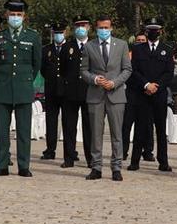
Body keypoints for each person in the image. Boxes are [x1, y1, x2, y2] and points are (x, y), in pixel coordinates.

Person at [0, 0, 41, 177]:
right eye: (12, 14)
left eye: (19, 15)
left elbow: (36, 65)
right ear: (6, 15)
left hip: (23, 89)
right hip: (2, 89)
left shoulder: (33, 37)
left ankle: (23, 166)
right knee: (2, 132)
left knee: (23, 131)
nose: (15, 17)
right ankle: (2, 165)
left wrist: (26, 81)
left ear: (24, 16)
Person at [80, 15, 132, 181]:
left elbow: (127, 69)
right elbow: (83, 71)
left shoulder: (122, 45)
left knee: (117, 133)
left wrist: (115, 82)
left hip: (116, 95)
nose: (103, 30)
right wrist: (95, 79)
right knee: (96, 133)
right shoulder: (89, 46)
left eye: (106, 27)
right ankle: (96, 167)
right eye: (100, 28)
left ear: (111, 28)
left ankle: (116, 168)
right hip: (96, 95)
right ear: (96, 29)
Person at [128, 17, 175, 172]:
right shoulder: (137, 49)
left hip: (159, 94)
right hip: (142, 93)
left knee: (161, 130)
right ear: (146, 31)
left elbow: (169, 73)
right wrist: (146, 84)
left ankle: (163, 162)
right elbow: (134, 71)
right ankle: (135, 161)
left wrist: (157, 85)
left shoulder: (167, 49)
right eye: (150, 29)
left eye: (156, 29)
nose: (153, 32)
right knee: (140, 128)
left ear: (160, 31)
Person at [59, 15, 93, 168]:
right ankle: (69, 157)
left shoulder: (94, 46)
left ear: (89, 27)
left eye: (84, 25)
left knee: (90, 128)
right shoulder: (67, 47)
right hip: (70, 93)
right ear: (74, 28)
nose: (81, 28)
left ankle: (91, 159)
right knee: (69, 126)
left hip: (89, 92)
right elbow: (63, 69)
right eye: (78, 25)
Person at [123, 30, 153, 161]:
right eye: (138, 41)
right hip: (131, 93)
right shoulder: (128, 55)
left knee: (147, 125)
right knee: (126, 124)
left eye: (143, 41)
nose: (140, 43)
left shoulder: (150, 55)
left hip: (146, 93)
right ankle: (123, 151)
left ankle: (147, 152)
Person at [40, 22, 66, 160]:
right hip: (51, 90)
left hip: (67, 90)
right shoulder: (46, 49)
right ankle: (50, 150)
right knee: (51, 121)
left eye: (60, 32)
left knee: (68, 122)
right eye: (56, 33)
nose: (58, 35)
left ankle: (70, 151)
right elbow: (43, 69)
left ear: (65, 32)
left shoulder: (70, 47)